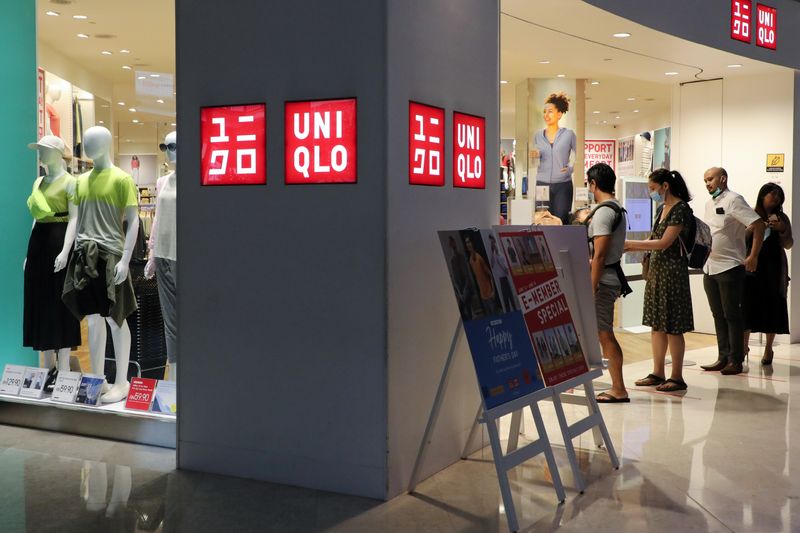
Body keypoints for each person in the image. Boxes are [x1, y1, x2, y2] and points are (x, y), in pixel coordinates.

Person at [624, 169, 694, 391]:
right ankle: (657, 371)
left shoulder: (680, 210)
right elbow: (655, 239)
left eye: (653, 189)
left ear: (665, 186)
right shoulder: (662, 209)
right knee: (657, 325)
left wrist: (631, 244)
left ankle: (676, 376)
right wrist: (632, 245)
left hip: (672, 275)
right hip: (657, 273)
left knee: (673, 326)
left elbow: (664, 243)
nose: (650, 193)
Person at [700, 167, 764, 375]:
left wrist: (753, 255)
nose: (707, 183)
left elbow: (758, 224)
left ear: (723, 179)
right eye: (705, 181)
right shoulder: (710, 204)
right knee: (718, 314)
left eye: (710, 179)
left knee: (732, 314)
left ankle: (736, 359)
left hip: (730, 266)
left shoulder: (734, 200)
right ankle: (723, 356)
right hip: (710, 266)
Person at [585, 163, 629, 403]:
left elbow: (600, 255)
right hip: (609, 278)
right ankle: (616, 386)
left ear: (593, 183)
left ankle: (619, 388)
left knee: (605, 334)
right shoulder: (617, 208)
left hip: (603, 281)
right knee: (603, 333)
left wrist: (591, 287)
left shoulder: (603, 212)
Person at [743, 183, 793, 365]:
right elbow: (741, 238)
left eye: (779, 197)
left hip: (774, 270)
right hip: (751, 267)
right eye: (772, 196)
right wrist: (756, 227)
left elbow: (789, 243)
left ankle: (768, 349)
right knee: (748, 307)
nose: (776, 200)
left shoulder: (781, 217)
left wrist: (781, 229)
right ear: (763, 195)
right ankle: (744, 347)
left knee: (772, 307)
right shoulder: (749, 213)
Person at [531, 92, 577, 225]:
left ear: (559, 114)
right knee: (541, 219)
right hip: (542, 184)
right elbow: (534, 161)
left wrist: (569, 169)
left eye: (550, 111)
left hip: (563, 184)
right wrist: (535, 156)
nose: (546, 115)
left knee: (561, 220)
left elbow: (579, 156)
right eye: (544, 111)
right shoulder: (538, 136)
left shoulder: (569, 134)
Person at [465, 235, 499, 316]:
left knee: (496, 317)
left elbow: (490, 275)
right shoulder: (470, 260)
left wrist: (493, 292)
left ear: (472, 243)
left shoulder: (479, 258)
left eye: (469, 242)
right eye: (466, 243)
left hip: (489, 294)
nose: (468, 244)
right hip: (483, 296)